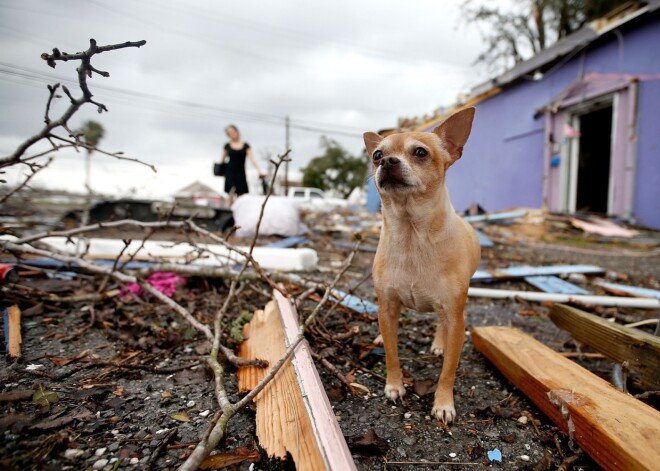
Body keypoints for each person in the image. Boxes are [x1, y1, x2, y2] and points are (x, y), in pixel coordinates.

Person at [220, 124, 265, 204]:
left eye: (233, 132)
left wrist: (259, 171)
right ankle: (227, 212)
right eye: (230, 133)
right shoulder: (227, 146)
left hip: (241, 172)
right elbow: (222, 160)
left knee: (241, 195)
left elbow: (252, 159)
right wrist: (219, 170)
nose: (232, 134)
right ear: (228, 135)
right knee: (231, 193)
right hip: (230, 172)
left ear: (237, 132)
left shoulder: (245, 145)